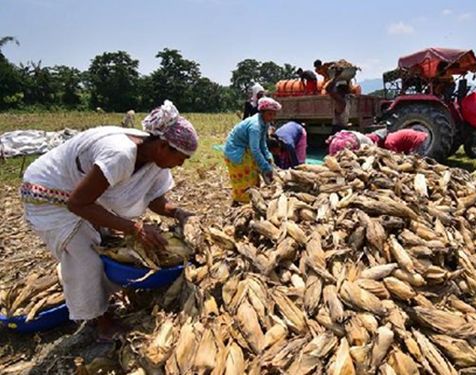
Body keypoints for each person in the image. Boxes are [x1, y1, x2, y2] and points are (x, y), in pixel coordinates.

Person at [20, 100, 197, 341]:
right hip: (51, 194)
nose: (181, 164)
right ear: (164, 146)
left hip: (85, 196)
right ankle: (100, 323)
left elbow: (154, 198)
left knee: (107, 243)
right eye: (182, 157)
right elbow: (77, 204)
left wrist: (178, 213)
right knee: (86, 258)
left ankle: (100, 301)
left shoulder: (154, 158)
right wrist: (134, 227)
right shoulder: (120, 154)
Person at [224, 97, 282, 203]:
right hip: (236, 151)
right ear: (262, 112)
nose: (272, 117)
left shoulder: (265, 123)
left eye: (274, 114)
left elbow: (262, 142)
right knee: (246, 180)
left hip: (246, 149)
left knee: (254, 177)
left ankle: (253, 199)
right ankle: (243, 203)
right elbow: (255, 149)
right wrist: (265, 167)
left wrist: (268, 157)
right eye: (270, 114)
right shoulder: (255, 126)